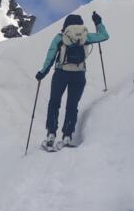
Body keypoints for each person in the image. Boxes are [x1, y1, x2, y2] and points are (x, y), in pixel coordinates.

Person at [35, 12, 110, 150]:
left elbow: (50, 57)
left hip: (61, 74)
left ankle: (51, 135)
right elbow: (104, 36)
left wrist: (42, 73)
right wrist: (98, 22)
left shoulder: (60, 38)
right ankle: (67, 137)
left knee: (54, 103)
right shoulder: (85, 36)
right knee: (72, 106)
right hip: (79, 75)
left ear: (65, 25)